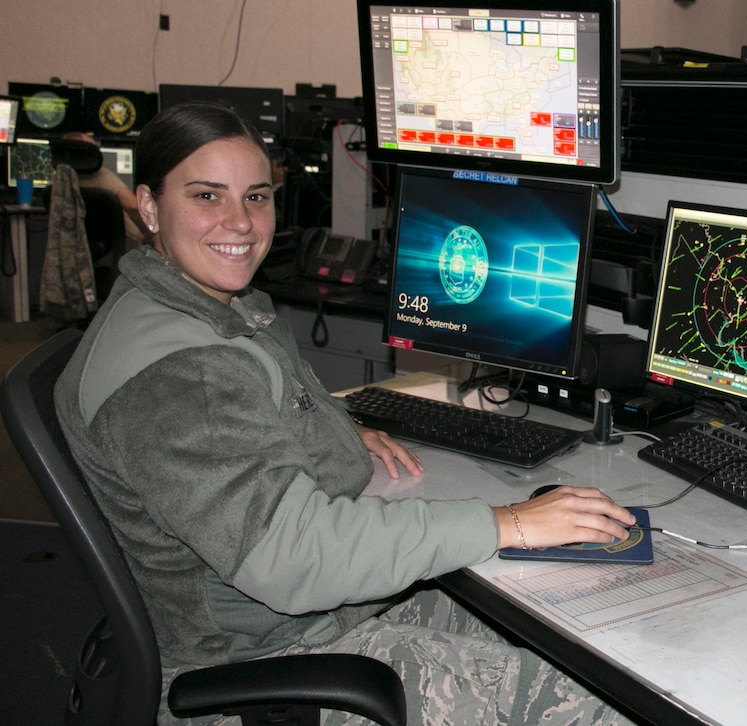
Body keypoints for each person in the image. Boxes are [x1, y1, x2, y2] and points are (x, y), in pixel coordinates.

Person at [54, 102, 636, 726]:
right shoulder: (180, 374)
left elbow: (230, 436)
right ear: (147, 206)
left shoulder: (186, 307)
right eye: (206, 196)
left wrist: (324, 425)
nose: (240, 223)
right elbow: (296, 557)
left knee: (564, 632)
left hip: (294, 623)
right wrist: (509, 521)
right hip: (269, 662)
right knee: (594, 706)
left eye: (255, 197)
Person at [61, 131, 148, 253]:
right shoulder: (101, 177)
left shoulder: (59, 183)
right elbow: (133, 206)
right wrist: (152, 232)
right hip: (126, 249)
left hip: (76, 252)